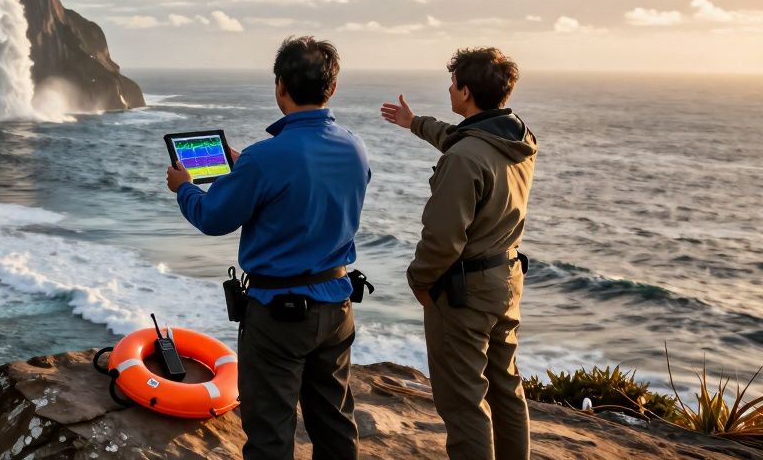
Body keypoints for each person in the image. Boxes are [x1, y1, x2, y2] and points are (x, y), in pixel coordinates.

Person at [166, 37, 370, 460]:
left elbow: (212, 217)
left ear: (280, 86)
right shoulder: (354, 146)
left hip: (278, 313)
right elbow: (310, 187)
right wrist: (248, 170)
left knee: (270, 433)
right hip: (337, 304)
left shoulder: (265, 158)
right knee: (334, 424)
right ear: (332, 88)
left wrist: (185, 188)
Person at [379, 47, 536, 460]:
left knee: (463, 402)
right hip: (507, 280)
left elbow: (443, 239)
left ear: (466, 92)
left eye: (452, 84)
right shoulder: (515, 138)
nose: (449, 89)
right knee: (506, 390)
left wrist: (419, 280)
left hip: (466, 291)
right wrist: (415, 124)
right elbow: (458, 136)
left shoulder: (464, 158)